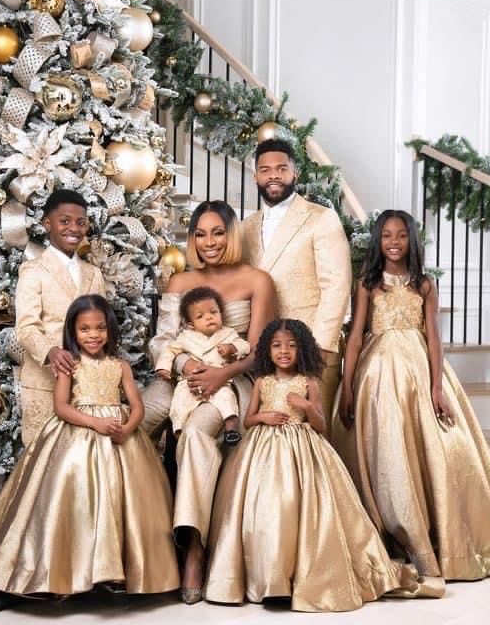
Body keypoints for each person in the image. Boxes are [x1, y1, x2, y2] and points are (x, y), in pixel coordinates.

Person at [205, 319, 444, 612]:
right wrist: (264, 418)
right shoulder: (263, 382)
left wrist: (305, 407)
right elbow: (248, 419)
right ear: (267, 350)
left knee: (296, 506)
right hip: (263, 452)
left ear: (302, 350)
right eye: (277, 346)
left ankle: (295, 578)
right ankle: (269, 581)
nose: (284, 352)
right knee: (269, 509)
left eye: (292, 346)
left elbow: (320, 426)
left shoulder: (309, 382)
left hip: (303, 451)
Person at [337, 210, 490, 580]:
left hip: (419, 372)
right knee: (389, 446)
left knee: (437, 447)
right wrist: (347, 383)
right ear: (377, 240)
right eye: (387, 236)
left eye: (402, 236)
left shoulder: (424, 285)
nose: (394, 242)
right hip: (378, 375)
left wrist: (437, 386)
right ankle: (400, 532)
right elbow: (356, 335)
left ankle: (440, 536)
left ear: (412, 240)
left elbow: (434, 339)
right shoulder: (368, 284)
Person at [0, 295, 179, 608]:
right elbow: (62, 407)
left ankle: (117, 574)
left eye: (99, 328)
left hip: (120, 438)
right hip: (78, 434)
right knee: (71, 493)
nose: (93, 335)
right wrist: (95, 423)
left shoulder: (120, 366)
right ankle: (59, 573)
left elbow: (136, 404)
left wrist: (129, 426)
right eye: (84, 329)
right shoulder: (69, 364)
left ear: (110, 330)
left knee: (122, 499)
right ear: (72, 331)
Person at [145, 200, 275, 603]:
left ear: (232, 234)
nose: (209, 242)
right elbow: (161, 342)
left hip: (232, 380)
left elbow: (260, 350)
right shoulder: (180, 282)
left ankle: (194, 548)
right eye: (200, 233)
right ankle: (133, 544)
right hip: (182, 375)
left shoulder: (257, 280)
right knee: (136, 422)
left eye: (217, 232)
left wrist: (220, 373)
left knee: (197, 432)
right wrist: (184, 364)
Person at [242, 138, 352, 437]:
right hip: (266, 353)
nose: (273, 175)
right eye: (265, 170)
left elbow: (337, 286)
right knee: (270, 437)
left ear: (295, 174)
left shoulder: (321, 217)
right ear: (256, 176)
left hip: (310, 348)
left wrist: (319, 349)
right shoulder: (247, 226)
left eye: (281, 168)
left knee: (314, 435)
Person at [15, 189, 105, 446]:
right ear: (47, 224)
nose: (73, 228)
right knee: (44, 461)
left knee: (81, 461)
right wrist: (51, 351)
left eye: (80, 222)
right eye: (64, 221)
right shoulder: (33, 271)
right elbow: (26, 328)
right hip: (44, 384)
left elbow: (101, 326)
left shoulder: (93, 274)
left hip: (87, 385)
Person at [157, 286, 251, 445]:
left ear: (221, 313)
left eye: (213, 312)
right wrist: (163, 367)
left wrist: (232, 348)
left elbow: (245, 346)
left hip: (219, 380)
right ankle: (179, 432)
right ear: (191, 324)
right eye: (200, 316)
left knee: (226, 399)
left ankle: (232, 429)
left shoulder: (228, 334)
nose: (209, 318)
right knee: (179, 404)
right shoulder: (185, 337)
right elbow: (169, 351)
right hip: (190, 383)